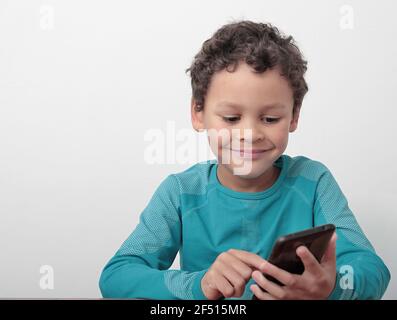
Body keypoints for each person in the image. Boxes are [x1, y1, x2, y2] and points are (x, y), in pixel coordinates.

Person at [99, 20, 390, 300]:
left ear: (294, 116)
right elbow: (116, 277)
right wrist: (199, 283)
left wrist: (331, 288)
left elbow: (372, 269)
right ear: (198, 113)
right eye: (231, 118)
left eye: (270, 118)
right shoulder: (180, 192)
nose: (249, 134)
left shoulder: (313, 183)